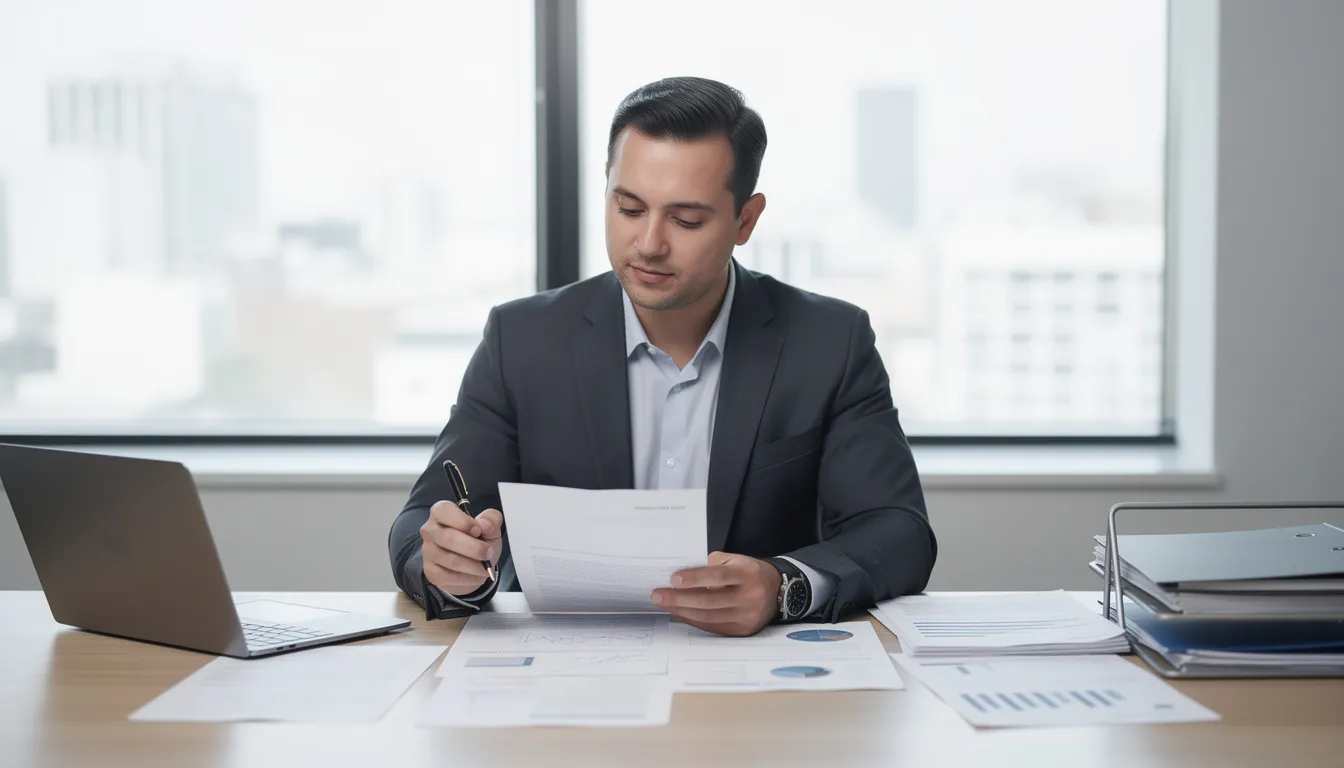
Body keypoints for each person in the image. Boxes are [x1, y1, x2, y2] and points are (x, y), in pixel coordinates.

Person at [388, 76, 936, 637]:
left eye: (686, 220)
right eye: (628, 208)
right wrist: (448, 561)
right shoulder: (522, 339)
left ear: (745, 221)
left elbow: (898, 532)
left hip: (759, 682)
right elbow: (419, 523)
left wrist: (783, 585)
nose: (649, 243)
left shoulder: (829, 341)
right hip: (568, 682)